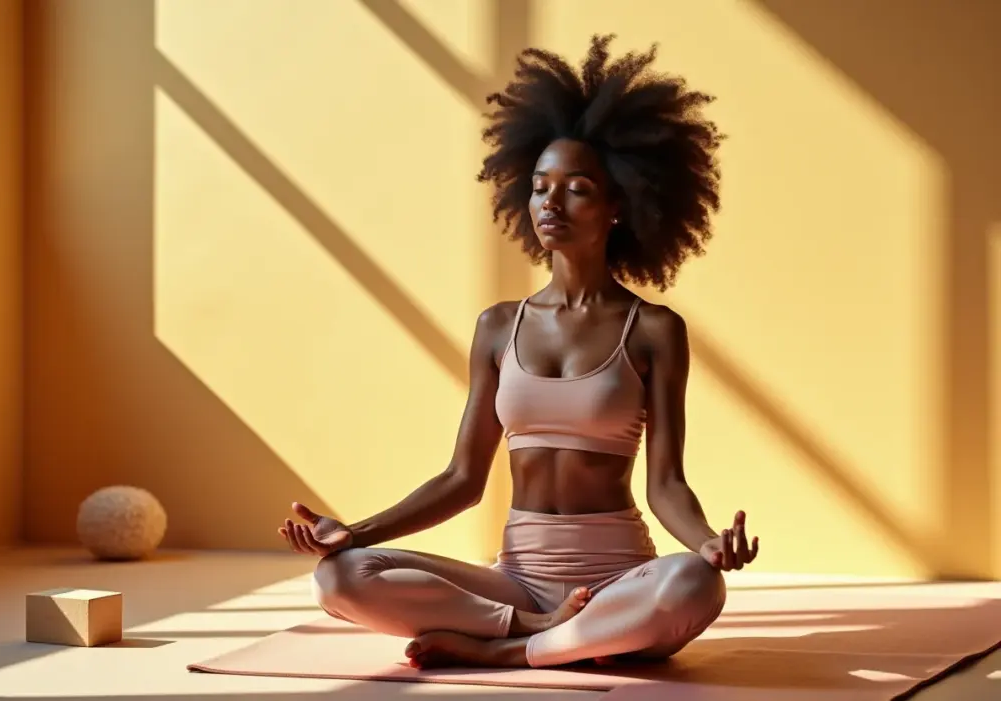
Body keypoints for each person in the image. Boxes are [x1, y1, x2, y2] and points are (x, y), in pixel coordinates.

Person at [278, 34, 759, 670]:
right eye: (539, 186)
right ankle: (536, 630)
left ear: (619, 204)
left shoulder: (654, 330)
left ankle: (510, 652)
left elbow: (666, 483)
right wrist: (354, 533)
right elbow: (462, 479)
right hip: (516, 583)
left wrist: (705, 545)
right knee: (339, 577)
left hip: (620, 579)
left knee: (697, 586)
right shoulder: (498, 327)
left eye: (577, 187)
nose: (550, 203)